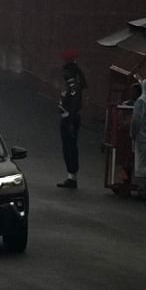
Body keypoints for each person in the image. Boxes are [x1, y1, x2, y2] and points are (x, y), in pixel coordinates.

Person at [57, 49, 86, 189]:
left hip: (69, 118)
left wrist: (70, 115)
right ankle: (71, 175)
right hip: (69, 117)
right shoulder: (74, 79)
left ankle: (72, 176)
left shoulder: (72, 81)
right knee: (69, 146)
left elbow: (75, 98)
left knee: (69, 147)